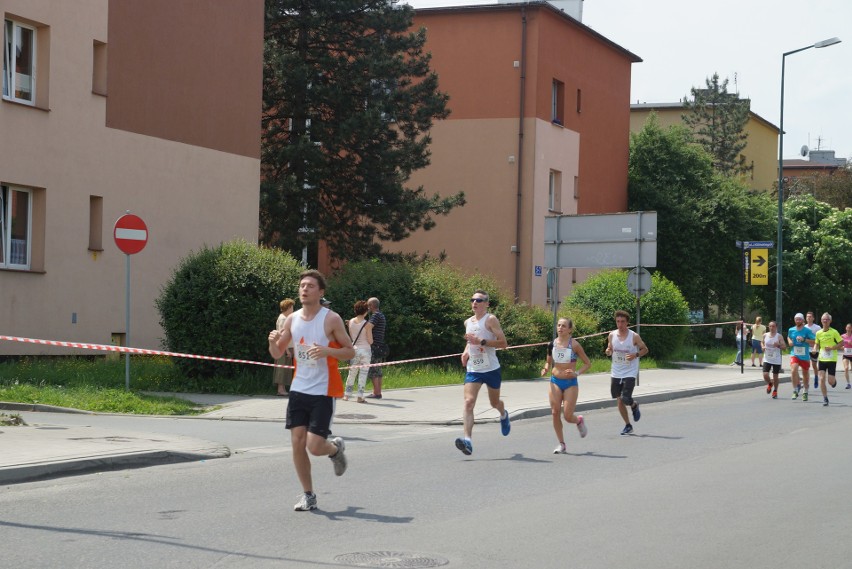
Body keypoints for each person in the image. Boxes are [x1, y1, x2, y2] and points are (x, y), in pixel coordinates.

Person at [268, 270, 355, 512]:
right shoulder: (291, 319)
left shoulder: (331, 319)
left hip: (323, 390)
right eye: (302, 285)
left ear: (321, 292)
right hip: (299, 389)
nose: (304, 289)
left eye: (310, 286)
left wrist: (328, 351)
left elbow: (350, 351)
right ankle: (308, 495)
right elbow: (277, 353)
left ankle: (335, 448)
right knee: (297, 443)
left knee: (314, 446)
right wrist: (272, 340)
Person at [454, 289, 510, 455]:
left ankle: (503, 414)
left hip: (491, 368)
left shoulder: (490, 319)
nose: (475, 303)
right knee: (468, 402)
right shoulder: (468, 322)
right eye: (473, 300)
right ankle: (468, 441)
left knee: (494, 403)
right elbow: (470, 341)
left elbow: (504, 343)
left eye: (479, 300)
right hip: (474, 368)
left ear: (487, 303)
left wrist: (483, 341)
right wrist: (466, 351)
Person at [541, 317, 591, 454]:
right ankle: (561, 444)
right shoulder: (552, 344)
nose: (560, 328)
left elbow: (588, 363)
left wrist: (576, 373)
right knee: (555, 412)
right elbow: (548, 361)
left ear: (569, 329)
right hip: (555, 380)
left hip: (570, 383)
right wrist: (545, 368)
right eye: (558, 325)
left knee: (568, 416)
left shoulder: (574, 345)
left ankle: (578, 421)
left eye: (563, 326)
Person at [605, 310, 649, 435]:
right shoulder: (612, 335)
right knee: (619, 399)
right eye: (618, 321)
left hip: (630, 371)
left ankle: (633, 405)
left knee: (625, 398)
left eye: (623, 322)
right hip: (616, 371)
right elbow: (609, 349)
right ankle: (628, 425)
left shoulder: (634, 336)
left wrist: (635, 354)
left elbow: (645, 349)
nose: (620, 324)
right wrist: (608, 351)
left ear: (627, 323)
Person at [344, 300, 373, 403]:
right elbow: (370, 341)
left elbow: (352, 337)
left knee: (352, 373)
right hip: (365, 350)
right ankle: (360, 396)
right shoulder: (367, 324)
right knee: (363, 373)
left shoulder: (350, 322)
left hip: (355, 350)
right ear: (365, 311)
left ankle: (347, 395)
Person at [814, 312, 843, 407]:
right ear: (821, 321)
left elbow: (841, 343)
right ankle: (825, 398)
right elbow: (816, 343)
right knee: (821, 379)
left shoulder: (834, 332)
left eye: (827, 319)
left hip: (831, 359)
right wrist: (815, 348)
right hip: (822, 358)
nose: (825, 321)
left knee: (830, 381)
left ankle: (834, 382)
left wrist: (832, 348)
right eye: (823, 319)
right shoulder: (818, 333)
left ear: (830, 321)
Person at [787, 312, 816, 402]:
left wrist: (804, 340)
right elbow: (788, 337)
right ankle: (795, 389)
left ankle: (805, 391)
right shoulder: (791, 330)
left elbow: (814, 341)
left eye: (799, 319)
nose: (798, 321)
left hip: (804, 355)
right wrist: (789, 342)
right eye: (796, 319)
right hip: (794, 353)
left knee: (805, 374)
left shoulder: (807, 330)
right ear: (794, 320)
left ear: (803, 320)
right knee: (793, 370)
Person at [365, 297, 387, 399]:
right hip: (380, 345)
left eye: (368, 305)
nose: (367, 307)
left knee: (373, 370)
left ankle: (376, 393)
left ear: (371, 306)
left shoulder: (376, 315)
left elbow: (368, 327)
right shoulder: (381, 315)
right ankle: (378, 392)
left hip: (374, 346)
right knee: (378, 370)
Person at [272, 298, 295, 396]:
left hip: (286, 348)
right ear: (288, 307)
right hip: (283, 348)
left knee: (286, 368)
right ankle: (280, 389)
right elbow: (281, 336)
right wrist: (287, 350)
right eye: (292, 306)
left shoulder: (286, 318)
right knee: (282, 368)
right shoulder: (283, 319)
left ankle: (283, 389)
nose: (293, 309)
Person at [761, 321, 785, 399]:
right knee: (765, 375)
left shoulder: (779, 336)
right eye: (770, 326)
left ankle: (775, 391)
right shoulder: (765, 335)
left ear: (776, 327)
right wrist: (763, 346)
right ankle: (770, 383)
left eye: (773, 326)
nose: (771, 328)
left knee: (775, 376)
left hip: (776, 359)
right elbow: (761, 342)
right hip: (767, 358)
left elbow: (784, 347)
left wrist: (778, 345)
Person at [806, 311, 821, 388]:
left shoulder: (817, 327)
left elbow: (818, 339)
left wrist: (815, 346)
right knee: (806, 365)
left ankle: (816, 377)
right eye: (807, 316)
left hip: (814, 349)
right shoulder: (804, 327)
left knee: (814, 365)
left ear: (813, 318)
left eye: (810, 316)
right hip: (806, 349)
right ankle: (806, 381)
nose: (808, 318)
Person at [842, 323, 852, 389]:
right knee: (846, 368)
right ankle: (848, 383)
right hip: (845, 354)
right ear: (845, 328)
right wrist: (842, 347)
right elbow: (839, 345)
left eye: (849, 328)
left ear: (851, 329)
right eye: (847, 327)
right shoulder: (842, 336)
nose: (848, 329)